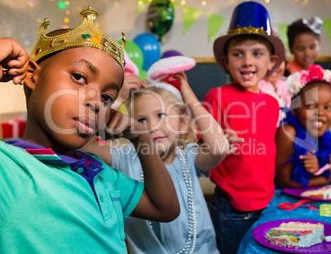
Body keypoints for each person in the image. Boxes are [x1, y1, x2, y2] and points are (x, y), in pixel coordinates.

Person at [0, 6, 180, 253]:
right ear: (32, 74)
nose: (97, 102)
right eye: (79, 77)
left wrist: (141, 137)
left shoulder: (100, 173)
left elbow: (166, 208)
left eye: (108, 97)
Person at [83, 67, 243, 253]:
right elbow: (84, 144)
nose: (152, 126)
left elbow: (219, 147)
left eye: (161, 115)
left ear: (183, 123)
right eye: (141, 120)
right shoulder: (122, 157)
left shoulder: (189, 156)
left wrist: (190, 99)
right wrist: (117, 100)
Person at [202, 1, 285, 254]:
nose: (247, 61)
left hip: (267, 200)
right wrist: (217, 140)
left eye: (256, 53)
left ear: (271, 62)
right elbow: (196, 144)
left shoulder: (272, 103)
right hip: (232, 206)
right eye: (238, 54)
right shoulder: (217, 96)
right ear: (227, 62)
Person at [275, 64, 331, 189]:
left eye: (328, 107)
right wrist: (326, 179)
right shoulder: (288, 133)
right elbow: (283, 182)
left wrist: (319, 167)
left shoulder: (323, 134)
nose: (320, 113)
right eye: (310, 106)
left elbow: (321, 166)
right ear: (294, 108)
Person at [258, 60, 291, 125]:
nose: (273, 67)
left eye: (278, 61)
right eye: (268, 61)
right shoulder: (256, 90)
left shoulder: (287, 85)